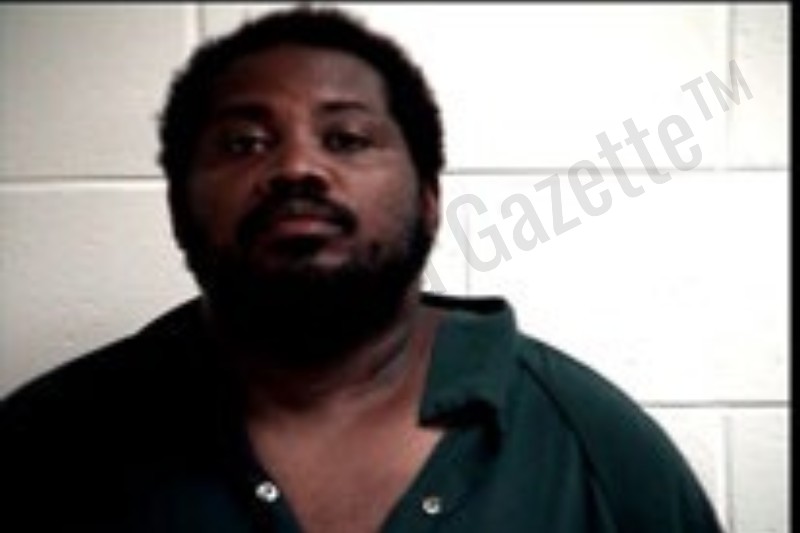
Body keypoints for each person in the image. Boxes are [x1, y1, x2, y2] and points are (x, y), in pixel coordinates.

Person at [0, 7, 724, 533]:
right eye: (244, 142)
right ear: (178, 205)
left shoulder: (598, 451)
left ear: (431, 200)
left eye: (346, 137)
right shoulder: (44, 448)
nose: (297, 167)